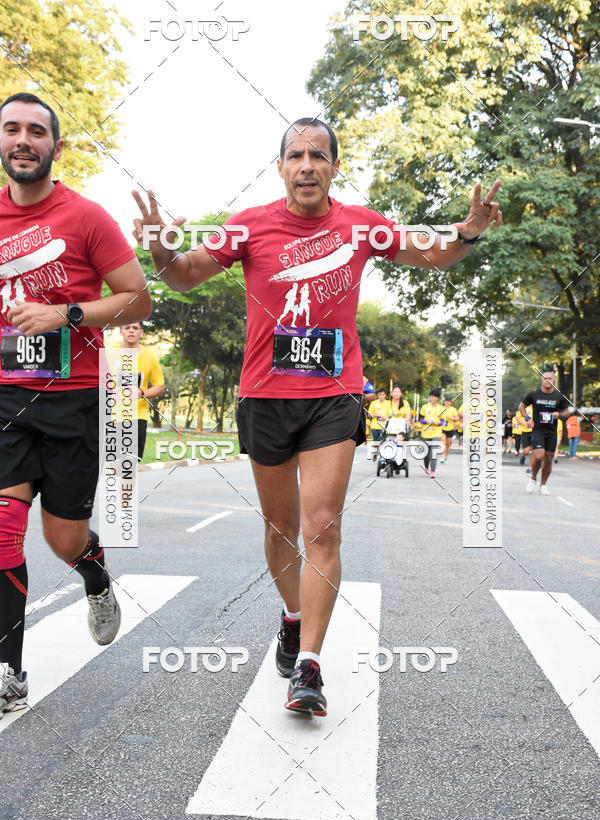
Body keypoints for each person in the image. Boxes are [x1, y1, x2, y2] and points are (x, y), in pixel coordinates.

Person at [132, 116, 502, 716]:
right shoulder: (249, 227)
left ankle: (309, 666)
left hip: (334, 395)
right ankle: (293, 615)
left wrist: (470, 233)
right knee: (280, 531)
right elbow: (185, 274)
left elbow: (431, 256)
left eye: (318, 155)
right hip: (265, 396)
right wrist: (158, 247)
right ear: (280, 167)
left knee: (322, 524)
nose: (307, 164)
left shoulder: (361, 226)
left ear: (334, 167)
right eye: (295, 155)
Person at [0, 93, 150, 715]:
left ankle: (93, 574)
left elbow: (137, 299)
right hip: (6, 397)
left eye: (37, 131)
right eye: (12, 129)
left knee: (62, 540)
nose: (23, 140)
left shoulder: (87, 217)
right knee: (3, 533)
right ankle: (9, 669)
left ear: (55, 148)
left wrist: (65, 313)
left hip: (72, 401)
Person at [120, 321, 165, 460]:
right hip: (112, 415)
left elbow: (160, 386)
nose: (131, 331)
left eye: (135, 328)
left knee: (129, 464)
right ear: (120, 331)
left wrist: (142, 393)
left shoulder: (149, 356)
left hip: (138, 415)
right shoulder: (109, 352)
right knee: (114, 464)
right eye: (127, 327)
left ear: (141, 332)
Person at [520, 371, 570, 495]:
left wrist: (559, 414)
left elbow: (567, 412)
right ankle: (533, 478)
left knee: (548, 459)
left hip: (552, 432)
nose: (548, 380)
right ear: (542, 380)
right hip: (538, 430)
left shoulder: (559, 396)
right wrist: (527, 418)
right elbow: (521, 407)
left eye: (550, 378)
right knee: (538, 456)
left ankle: (543, 485)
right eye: (545, 378)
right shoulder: (534, 394)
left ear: (554, 380)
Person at [420, 389, 444, 477]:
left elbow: (443, 421)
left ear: (437, 398)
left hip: (436, 433)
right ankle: (426, 467)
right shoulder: (424, 407)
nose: (433, 398)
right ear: (429, 397)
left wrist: (438, 423)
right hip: (425, 432)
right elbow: (420, 419)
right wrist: (426, 421)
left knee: (433, 451)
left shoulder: (441, 408)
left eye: (435, 397)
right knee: (426, 453)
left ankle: (433, 471)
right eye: (432, 396)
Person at [439, 396, 458, 463]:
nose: (447, 402)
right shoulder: (441, 408)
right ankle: (442, 456)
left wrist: (450, 418)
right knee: (443, 442)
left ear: (451, 402)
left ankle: (445, 457)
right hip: (442, 428)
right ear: (444, 402)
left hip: (450, 429)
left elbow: (457, 418)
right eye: (446, 401)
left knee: (448, 444)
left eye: (448, 401)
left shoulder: (453, 409)